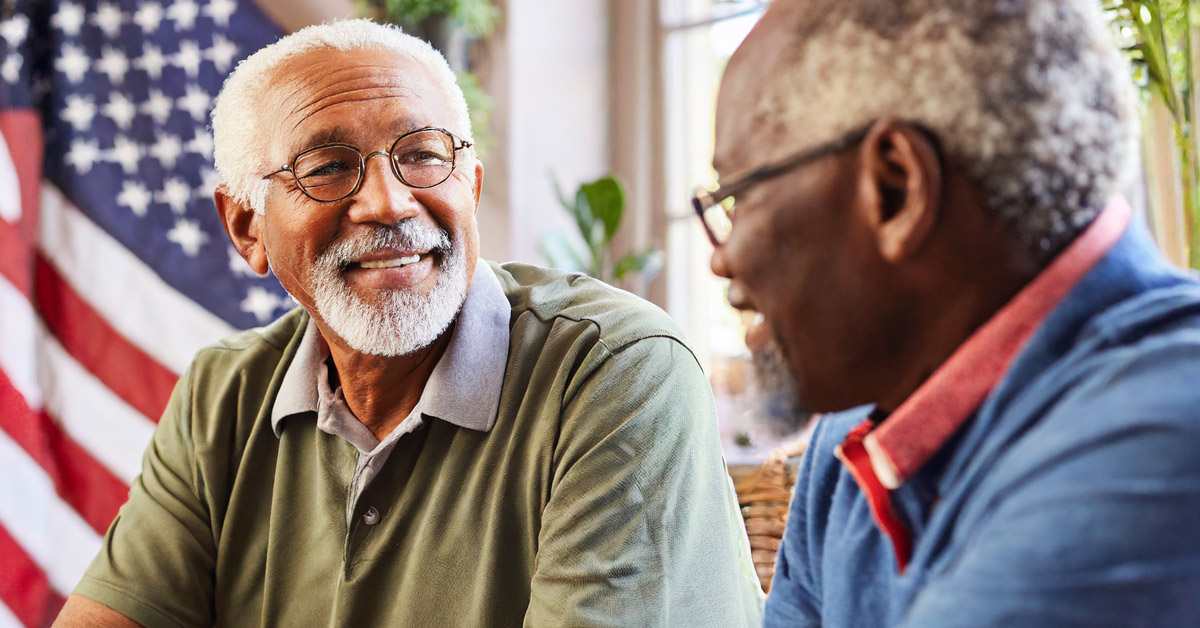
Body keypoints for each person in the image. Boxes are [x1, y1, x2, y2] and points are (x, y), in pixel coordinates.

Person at [54, 19, 763, 628]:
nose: (389, 204)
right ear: (246, 228)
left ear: (471, 186)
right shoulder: (224, 392)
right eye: (327, 167)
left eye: (423, 155)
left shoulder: (617, 369)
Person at [694, 0, 1200, 626]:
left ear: (895, 188)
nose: (723, 261)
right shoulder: (854, 433)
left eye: (737, 198)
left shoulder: (1159, 439)